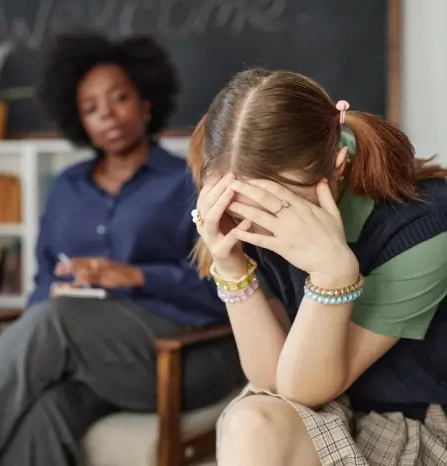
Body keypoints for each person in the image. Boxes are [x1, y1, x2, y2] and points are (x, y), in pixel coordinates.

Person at [0, 31, 243, 466]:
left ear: (145, 102)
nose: (106, 114)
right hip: (84, 355)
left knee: (56, 321)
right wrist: (52, 295)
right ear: (78, 121)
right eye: (90, 108)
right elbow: (44, 282)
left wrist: (135, 276)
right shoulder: (67, 188)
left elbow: (225, 287)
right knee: (46, 411)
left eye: (119, 98)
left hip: (179, 354)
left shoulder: (187, 180)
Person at [189, 68, 447, 465]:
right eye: (242, 196)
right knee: (251, 420)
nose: (257, 219)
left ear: (337, 166)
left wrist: (334, 272)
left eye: (280, 198)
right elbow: (271, 381)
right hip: (309, 402)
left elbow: (306, 389)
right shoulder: (234, 213)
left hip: (410, 416)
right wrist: (230, 263)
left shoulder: (425, 223)